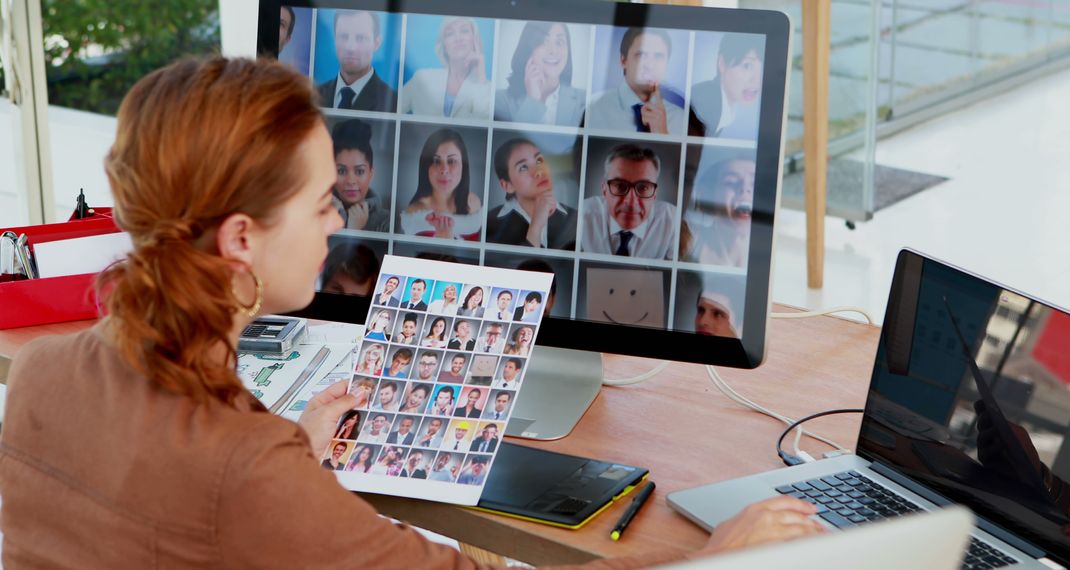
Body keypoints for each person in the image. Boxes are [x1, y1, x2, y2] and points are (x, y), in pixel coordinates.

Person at [0, 57, 822, 568]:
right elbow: (229, 492)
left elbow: (179, 501)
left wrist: (292, 451)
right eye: (324, 201)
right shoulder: (250, 476)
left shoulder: (41, 376)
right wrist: (721, 555)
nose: (341, 221)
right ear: (242, 236)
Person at [580, 144, 677, 260]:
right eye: (620, 186)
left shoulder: (673, 222)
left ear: (655, 193)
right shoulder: (581, 215)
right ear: (604, 190)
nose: (631, 202)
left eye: (643, 188)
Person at [587, 28, 684, 134]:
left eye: (658, 56)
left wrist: (662, 134)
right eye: (641, 55)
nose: (650, 66)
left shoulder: (680, 118)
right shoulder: (592, 108)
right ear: (623, 60)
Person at [486, 138, 577, 249]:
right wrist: (536, 226)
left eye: (539, 160)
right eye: (523, 167)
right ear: (507, 185)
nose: (539, 171)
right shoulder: (490, 223)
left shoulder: (576, 218)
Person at [495, 22, 585, 126]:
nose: (553, 51)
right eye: (543, 42)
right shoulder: (500, 100)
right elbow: (511, 139)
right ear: (528, 49)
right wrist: (532, 101)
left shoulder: (584, 100)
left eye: (559, 42)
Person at [398, 128, 483, 240]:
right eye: (436, 161)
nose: (444, 170)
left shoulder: (474, 202)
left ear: (463, 166)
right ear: (426, 167)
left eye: (451, 161)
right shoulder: (414, 213)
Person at [399, 17, 490, 119]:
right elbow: (391, 110)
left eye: (464, 31)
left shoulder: (485, 88)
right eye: (450, 34)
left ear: (475, 40)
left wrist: (481, 77)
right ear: (444, 46)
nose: (458, 38)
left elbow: (484, 125)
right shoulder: (422, 78)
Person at [681, 156, 754, 267]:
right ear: (708, 194)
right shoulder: (689, 240)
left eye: (755, 184)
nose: (745, 188)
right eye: (731, 182)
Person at [316, 10, 396, 111]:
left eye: (360, 38)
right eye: (344, 37)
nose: (351, 47)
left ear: (376, 43)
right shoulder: (313, 98)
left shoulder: (393, 103)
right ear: (335, 39)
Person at [687, 34, 765, 138]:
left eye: (764, 68)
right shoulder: (704, 103)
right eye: (747, 66)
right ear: (722, 63)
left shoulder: (725, 105)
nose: (757, 80)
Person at [329, 120, 391, 231]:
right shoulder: (317, 215)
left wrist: (355, 232)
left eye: (359, 171)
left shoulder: (387, 221)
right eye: (342, 171)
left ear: (371, 174)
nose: (351, 181)